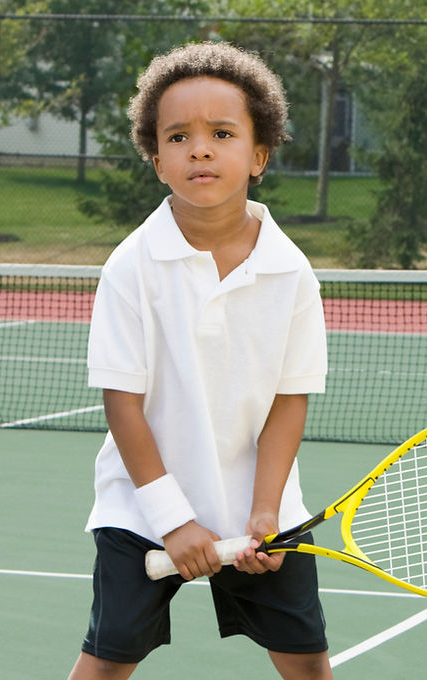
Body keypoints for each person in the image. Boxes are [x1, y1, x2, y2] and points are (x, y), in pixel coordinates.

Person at [68, 42, 332, 680]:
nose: (201, 149)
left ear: (259, 155)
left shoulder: (292, 271)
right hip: (140, 511)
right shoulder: (130, 267)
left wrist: (265, 510)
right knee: (105, 665)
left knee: (307, 666)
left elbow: (287, 402)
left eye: (222, 133)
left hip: (261, 514)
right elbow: (123, 406)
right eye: (179, 136)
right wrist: (174, 521)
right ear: (158, 161)